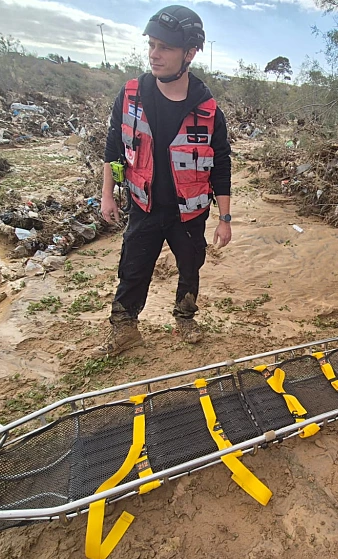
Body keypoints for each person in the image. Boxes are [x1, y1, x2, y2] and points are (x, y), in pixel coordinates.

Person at [96, 5, 232, 355]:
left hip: (189, 211)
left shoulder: (207, 108)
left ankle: (185, 318)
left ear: (189, 53)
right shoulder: (131, 96)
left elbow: (221, 165)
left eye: (165, 47)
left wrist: (226, 218)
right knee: (133, 268)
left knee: (191, 267)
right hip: (144, 204)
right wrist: (107, 195)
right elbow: (114, 149)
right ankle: (125, 329)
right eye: (152, 45)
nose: (154, 55)